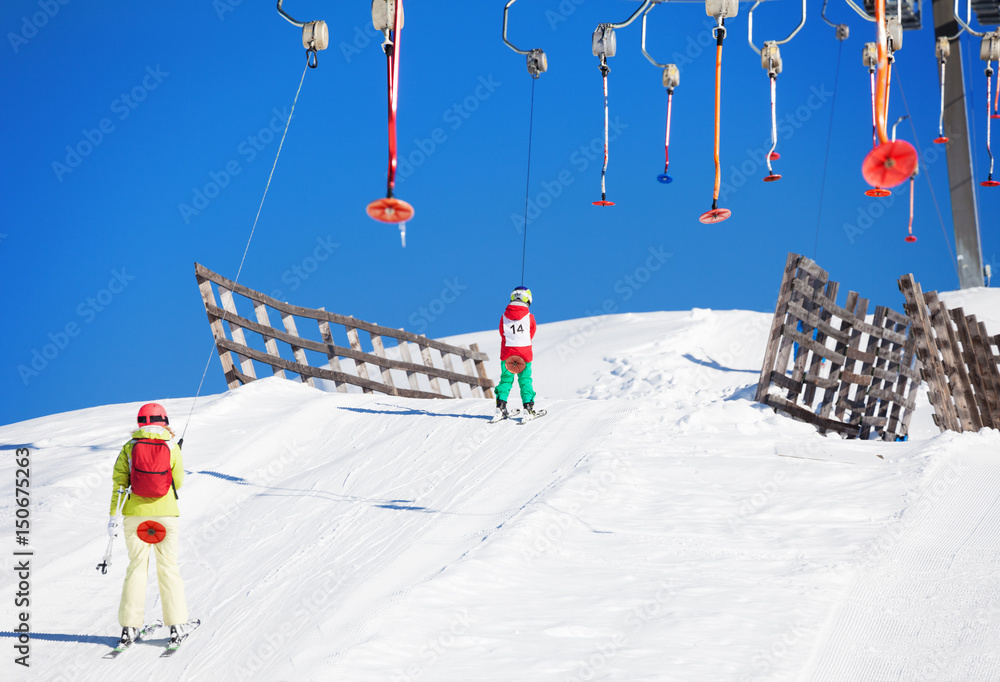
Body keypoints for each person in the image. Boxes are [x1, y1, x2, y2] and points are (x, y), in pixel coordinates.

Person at [108, 402, 190, 646]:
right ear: (164, 421)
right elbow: (179, 482)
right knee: (168, 568)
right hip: (165, 516)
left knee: (136, 568)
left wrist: (113, 516)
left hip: (135, 517)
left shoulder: (129, 447)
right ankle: (176, 626)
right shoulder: (171, 446)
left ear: (140, 423)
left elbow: (119, 485)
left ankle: (129, 628)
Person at [496, 286, 537, 419]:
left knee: (506, 380)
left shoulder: (503, 317)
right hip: (524, 353)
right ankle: (528, 408)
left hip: (508, 353)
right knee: (525, 380)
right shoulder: (530, 317)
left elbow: (502, 333)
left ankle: (500, 407)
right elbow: (531, 333)